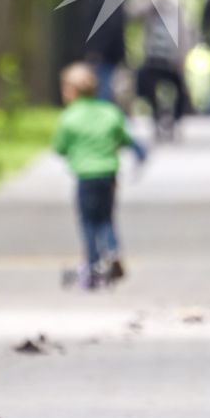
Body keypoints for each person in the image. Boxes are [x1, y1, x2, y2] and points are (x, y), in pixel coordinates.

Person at [53, 62, 148, 289]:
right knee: (106, 218)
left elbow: (59, 147)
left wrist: (73, 152)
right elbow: (125, 139)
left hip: (85, 176)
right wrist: (139, 153)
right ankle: (113, 251)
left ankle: (93, 263)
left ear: (72, 91)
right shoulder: (109, 112)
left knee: (87, 221)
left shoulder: (69, 117)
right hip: (108, 174)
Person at [134, 0, 190, 140]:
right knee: (146, 86)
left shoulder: (175, 5)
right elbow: (132, 12)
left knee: (179, 90)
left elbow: (184, 31)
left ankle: (175, 122)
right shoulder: (149, 3)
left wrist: (183, 55)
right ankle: (156, 120)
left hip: (172, 58)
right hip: (152, 57)